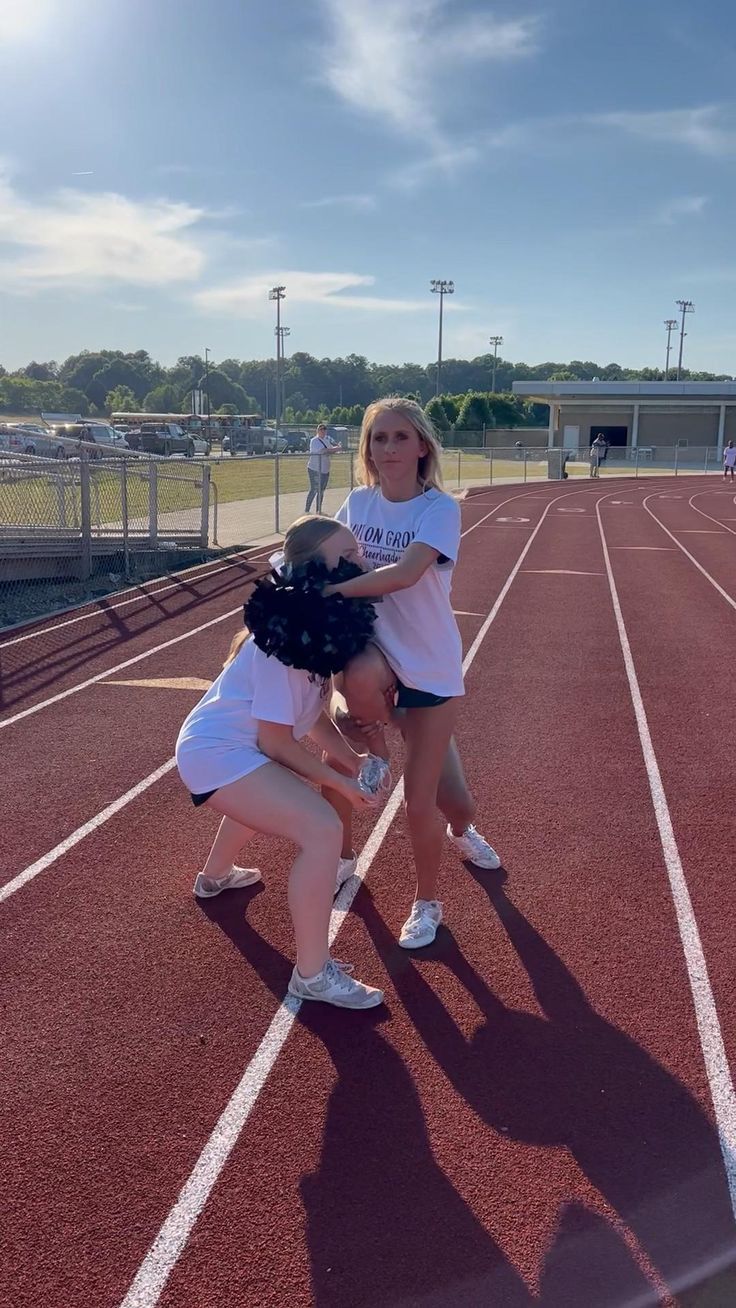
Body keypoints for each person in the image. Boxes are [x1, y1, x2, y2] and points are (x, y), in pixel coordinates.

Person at [175, 515, 384, 1010]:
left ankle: (215, 876)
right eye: (348, 557)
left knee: (272, 791)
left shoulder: (309, 627)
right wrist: (336, 780)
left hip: (227, 751)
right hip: (216, 753)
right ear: (314, 572)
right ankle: (312, 975)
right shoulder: (284, 642)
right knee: (321, 828)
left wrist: (350, 759)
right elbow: (275, 743)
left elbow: (309, 719)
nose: (362, 563)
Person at [322, 396, 501, 952]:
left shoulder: (438, 510)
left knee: (438, 802)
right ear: (367, 449)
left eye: (401, 437)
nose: (389, 448)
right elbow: (327, 558)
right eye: (379, 438)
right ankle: (343, 855)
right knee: (339, 758)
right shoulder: (356, 503)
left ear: (423, 446)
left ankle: (442, 872)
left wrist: (334, 589)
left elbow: (405, 574)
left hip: (428, 668)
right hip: (375, 658)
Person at [305, 423, 340, 512]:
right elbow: (323, 451)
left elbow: (330, 450)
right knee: (314, 489)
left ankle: (318, 510)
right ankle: (307, 510)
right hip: (315, 469)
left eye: (324, 429)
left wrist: (336, 448)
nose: (323, 431)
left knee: (321, 491)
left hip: (325, 470)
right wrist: (336, 449)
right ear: (317, 431)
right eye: (321, 429)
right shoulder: (314, 441)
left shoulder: (326, 440)